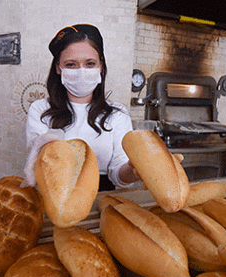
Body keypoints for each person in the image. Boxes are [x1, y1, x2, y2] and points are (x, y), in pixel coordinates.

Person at [25, 24, 140, 191]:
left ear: (101, 66)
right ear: (58, 68)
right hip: (55, 192)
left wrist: (134, 170)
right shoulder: (41, 110)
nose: (81, 71)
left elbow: (118, 174)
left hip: (101, 198)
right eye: (71, 64)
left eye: (90, 63)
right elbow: (39, 167)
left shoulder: (117, 115)